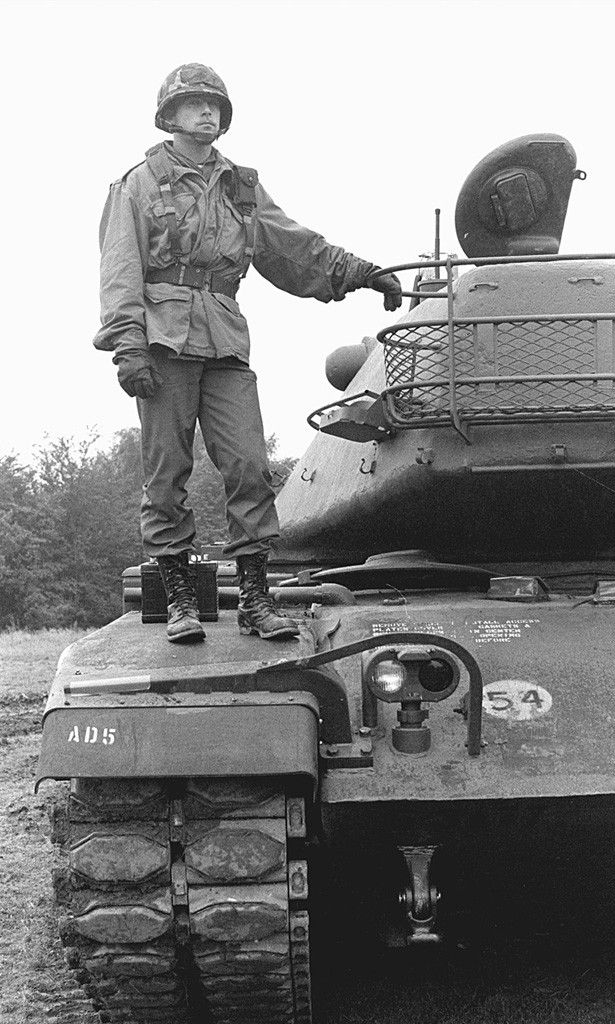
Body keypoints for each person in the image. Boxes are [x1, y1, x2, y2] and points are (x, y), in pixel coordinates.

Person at [94, 63, 402, 644]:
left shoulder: (240, 184)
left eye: (215, 104)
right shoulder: (138, 183)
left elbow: (292, 247)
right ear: (170, 115)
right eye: (194, 104)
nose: (207, 112)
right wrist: (127, 344)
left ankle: (256, 602)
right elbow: (119, 268)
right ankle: (181, 601)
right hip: (161, 342)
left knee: (249, 466)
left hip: (226, 340)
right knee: (167, 473)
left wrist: (360, 272)